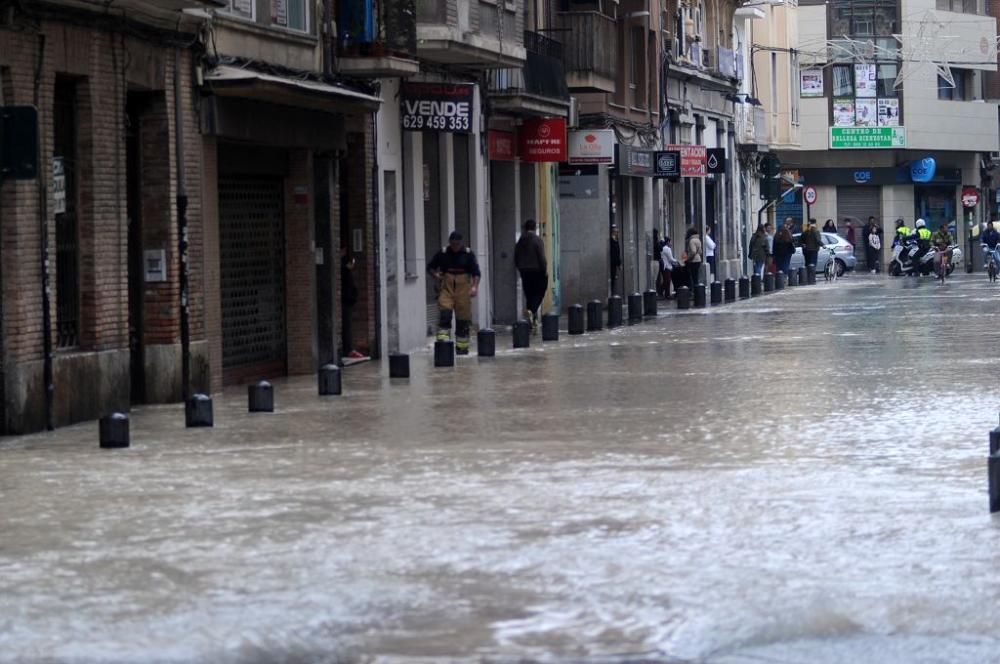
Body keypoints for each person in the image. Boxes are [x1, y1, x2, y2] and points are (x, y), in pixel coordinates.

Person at [427, 231, 481, 355]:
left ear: (461, 243)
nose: (454, 246)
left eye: (457, 244)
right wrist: (435, 275)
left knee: (463, 320)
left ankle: (462, 348)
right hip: (447, 288)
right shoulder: (443, 253)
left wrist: (474, 287)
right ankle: (443, 347)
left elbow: (476, 273)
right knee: (445, 314)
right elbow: (430, 267)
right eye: (452, 244)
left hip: (463, 290)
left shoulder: (468, 254)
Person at [514, 219, 548, 329]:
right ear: (534, 228)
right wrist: (544, 270)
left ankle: (530, 316)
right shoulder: (537, 240)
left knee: (528, 294)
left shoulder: (521, 240)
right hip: (537, 271)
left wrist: (520, 268)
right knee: (539, 292)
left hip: (524, 271)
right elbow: (541, 257)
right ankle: (533, 311)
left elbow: (516, 256)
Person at [340, 247, 365, 360]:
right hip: (345, 300)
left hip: (348, 299)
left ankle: (348, 349)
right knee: (346, 325)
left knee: (348, 324)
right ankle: (347, 350)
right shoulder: (342, 268)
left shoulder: (345, 268)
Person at [609, 224, 622, 296]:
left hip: (615, 263)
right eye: (616, 231)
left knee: (614, 279)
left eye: (617, 231)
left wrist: (619, 263)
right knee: (612, 279)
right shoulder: (611, 241)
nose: (617, 233)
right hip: (612, 263)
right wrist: (618, 263)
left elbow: (618, 252)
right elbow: (614, 253)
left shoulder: (616, 240)